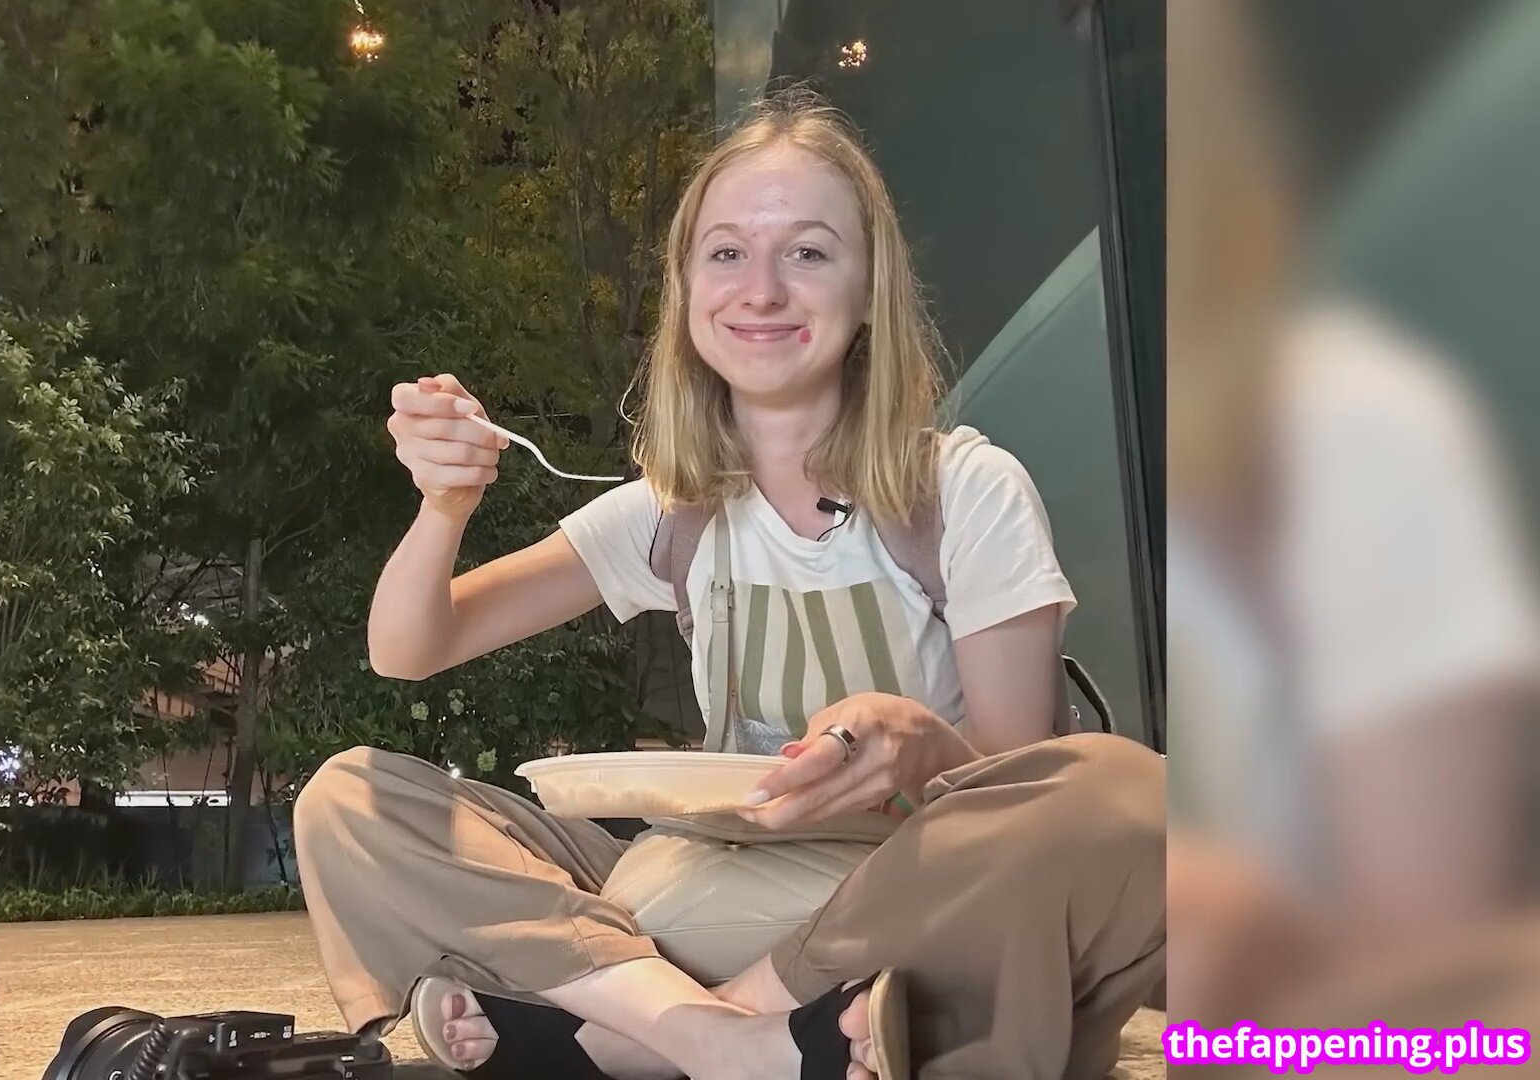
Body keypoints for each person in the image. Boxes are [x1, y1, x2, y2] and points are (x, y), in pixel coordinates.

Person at [294, 91, 1164, 1080]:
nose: (762, 289)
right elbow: (408, 648)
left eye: (808, 253)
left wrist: (922, 745)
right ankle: (742, 1040)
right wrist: (444, 505)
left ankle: (622, 1030)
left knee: (1127, 798)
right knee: (350, 801)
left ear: (870, 291)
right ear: (686, 293)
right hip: (704, 878)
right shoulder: (674, 512)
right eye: (726, 253)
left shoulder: (965, 489)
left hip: (892, 895)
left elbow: (1022, 799)